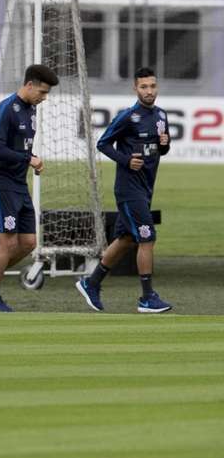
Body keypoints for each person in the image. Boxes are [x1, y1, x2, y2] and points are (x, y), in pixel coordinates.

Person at [76, 67, 172, 313]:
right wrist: (126, 160)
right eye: (144, 87)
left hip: (146, 188)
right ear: (135, 89)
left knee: (126, 239)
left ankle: (91, 282)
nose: (149, 91)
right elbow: (102, 143)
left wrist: (165, 144)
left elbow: (161, 151)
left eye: (152, 86)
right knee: (147, 237)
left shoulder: (161, 115)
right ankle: (147, 298)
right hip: (129, 190)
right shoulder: (128, 117)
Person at [0, 64, 59, 313]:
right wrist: (28, 160)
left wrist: (33, 159)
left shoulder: (31, 110)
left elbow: (20, 149)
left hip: (19, 185)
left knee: (28, 243)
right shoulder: (7, 108)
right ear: (29, 85)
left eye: (47, 93)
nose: (44, 97)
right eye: (41, 92)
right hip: (0, 184)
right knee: (6, 243)